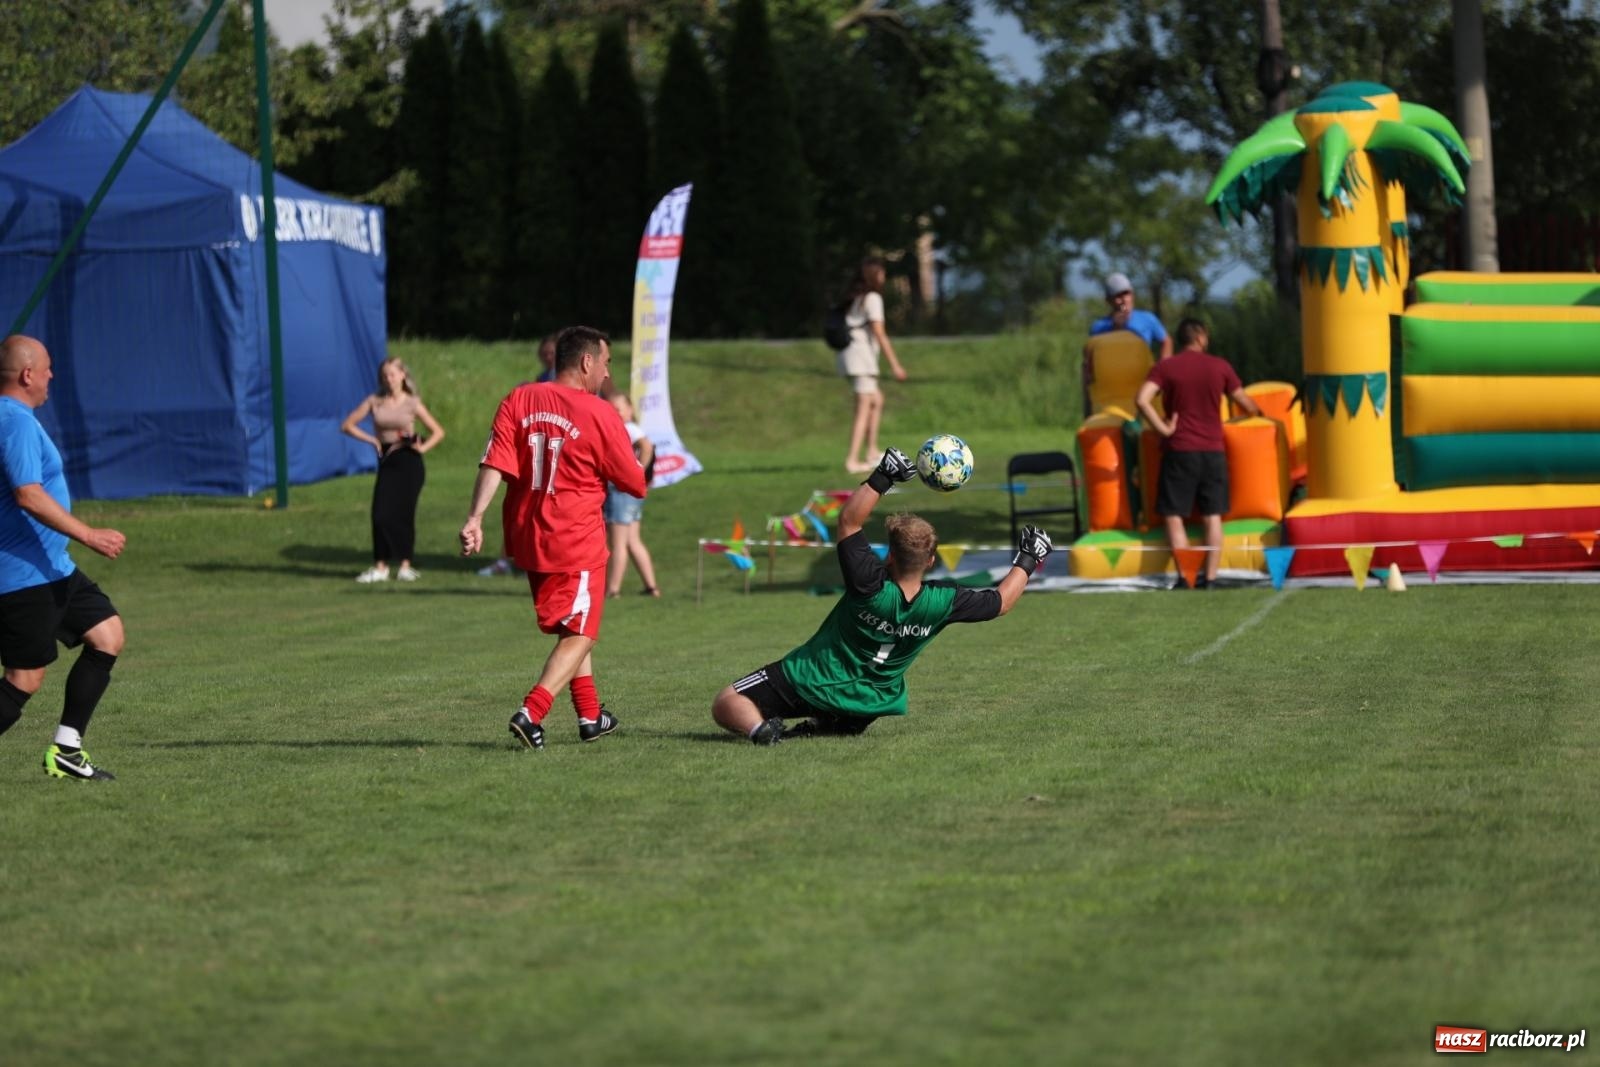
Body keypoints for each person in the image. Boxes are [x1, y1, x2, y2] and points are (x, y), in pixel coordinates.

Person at [711, 447, 1054, 745]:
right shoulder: (942, 602)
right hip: (868, 705)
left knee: (727, 702)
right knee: (832, 722)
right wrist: (1029, 557)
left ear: (890, 556)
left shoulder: (868, 585)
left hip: (810, 680)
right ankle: (824, 726)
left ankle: (761, 731)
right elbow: (1001, 603)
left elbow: (848, 521)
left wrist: (883, 475)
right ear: (931, 561)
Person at [459, 326, 647, 749]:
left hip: (528, 537)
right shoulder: (600, 413)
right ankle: (532, 713)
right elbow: (634, 481)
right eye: (605, 363)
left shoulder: (520, 398)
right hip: (574, 538)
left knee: (574, 626)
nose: (606, 372)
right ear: (586, 363)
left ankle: (590, 715)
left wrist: (475, 517)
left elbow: (495, 462)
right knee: (583, 632)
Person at [0, 335, 128, 781]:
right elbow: (28, 495)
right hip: (22, 575)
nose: (53, 374)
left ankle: (67, 750)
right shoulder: (12, 420)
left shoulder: (18, 418)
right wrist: (89, 534)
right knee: (24, 679)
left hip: (53, 567)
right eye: (48, 367)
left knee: (107, 635)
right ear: (27, 374)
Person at [1134, 318, 1261, 590]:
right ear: (1201, 337)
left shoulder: (1166, 367)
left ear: (1181, 339)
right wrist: (1258, 414)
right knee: (1212, 516)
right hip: (1213, 450)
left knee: (1173, 514)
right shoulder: (1220, 366)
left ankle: (1185, 575)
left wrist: (1163, 429)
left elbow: (1142, 399)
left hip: (1179, 450)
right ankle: (1210, 577)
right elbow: (1244, 402)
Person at [341, 357, 446, 583]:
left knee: (403, 513)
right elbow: (347, 425)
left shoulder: (412, 402)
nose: (389, 379)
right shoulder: (375, 401)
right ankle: (381, 566)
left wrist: (422, 448)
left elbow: (438, 431)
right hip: (387, 460)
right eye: (385, 375)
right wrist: (372, 440)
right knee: (380, 513)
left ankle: (405, 564)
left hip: (409, 460)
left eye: (393, 374)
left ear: (402, 376)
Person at [479, 332, 560, 577]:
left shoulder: (571, 379)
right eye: (544, 352)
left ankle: (535, 561)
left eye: (552, 353)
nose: (547, 357)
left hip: (556, 450)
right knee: (522, 507)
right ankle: (515, 560)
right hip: (535, 448)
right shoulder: (541, 378)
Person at [835, 257, 908, 475]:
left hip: (851, 356)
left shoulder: (857, 298)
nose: (884, 277)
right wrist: (895, 365)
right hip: (861, 359)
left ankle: (872, 451)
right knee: (864, 406)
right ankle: (852, 460)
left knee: (876, 399)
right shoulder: (873, 298)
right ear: (875, 276)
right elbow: (879, 332)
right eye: (882, 273)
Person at [1083, 272, 1172, 417]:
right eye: (1117, 296)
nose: (1123, 300)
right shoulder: (1099, 327)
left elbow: (1166, 341)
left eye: (1126, 294)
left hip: (1141, 380)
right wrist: (1116, 328)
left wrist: (1162, 369)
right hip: (1112, 387)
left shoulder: (1147, 319)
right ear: (1108, 300)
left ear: (1132, 295)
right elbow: (1090, 358)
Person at [603, 392, 660, 599]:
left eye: (618, 409)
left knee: (617, 543)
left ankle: (613, 589)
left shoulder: (628, 428)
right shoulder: (629, 428)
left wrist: (636, 473)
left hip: (621, 491)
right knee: (633, 541)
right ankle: (651, 586)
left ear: (630, 410)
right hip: (631, 493)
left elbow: (646, 447)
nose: (614, 414)